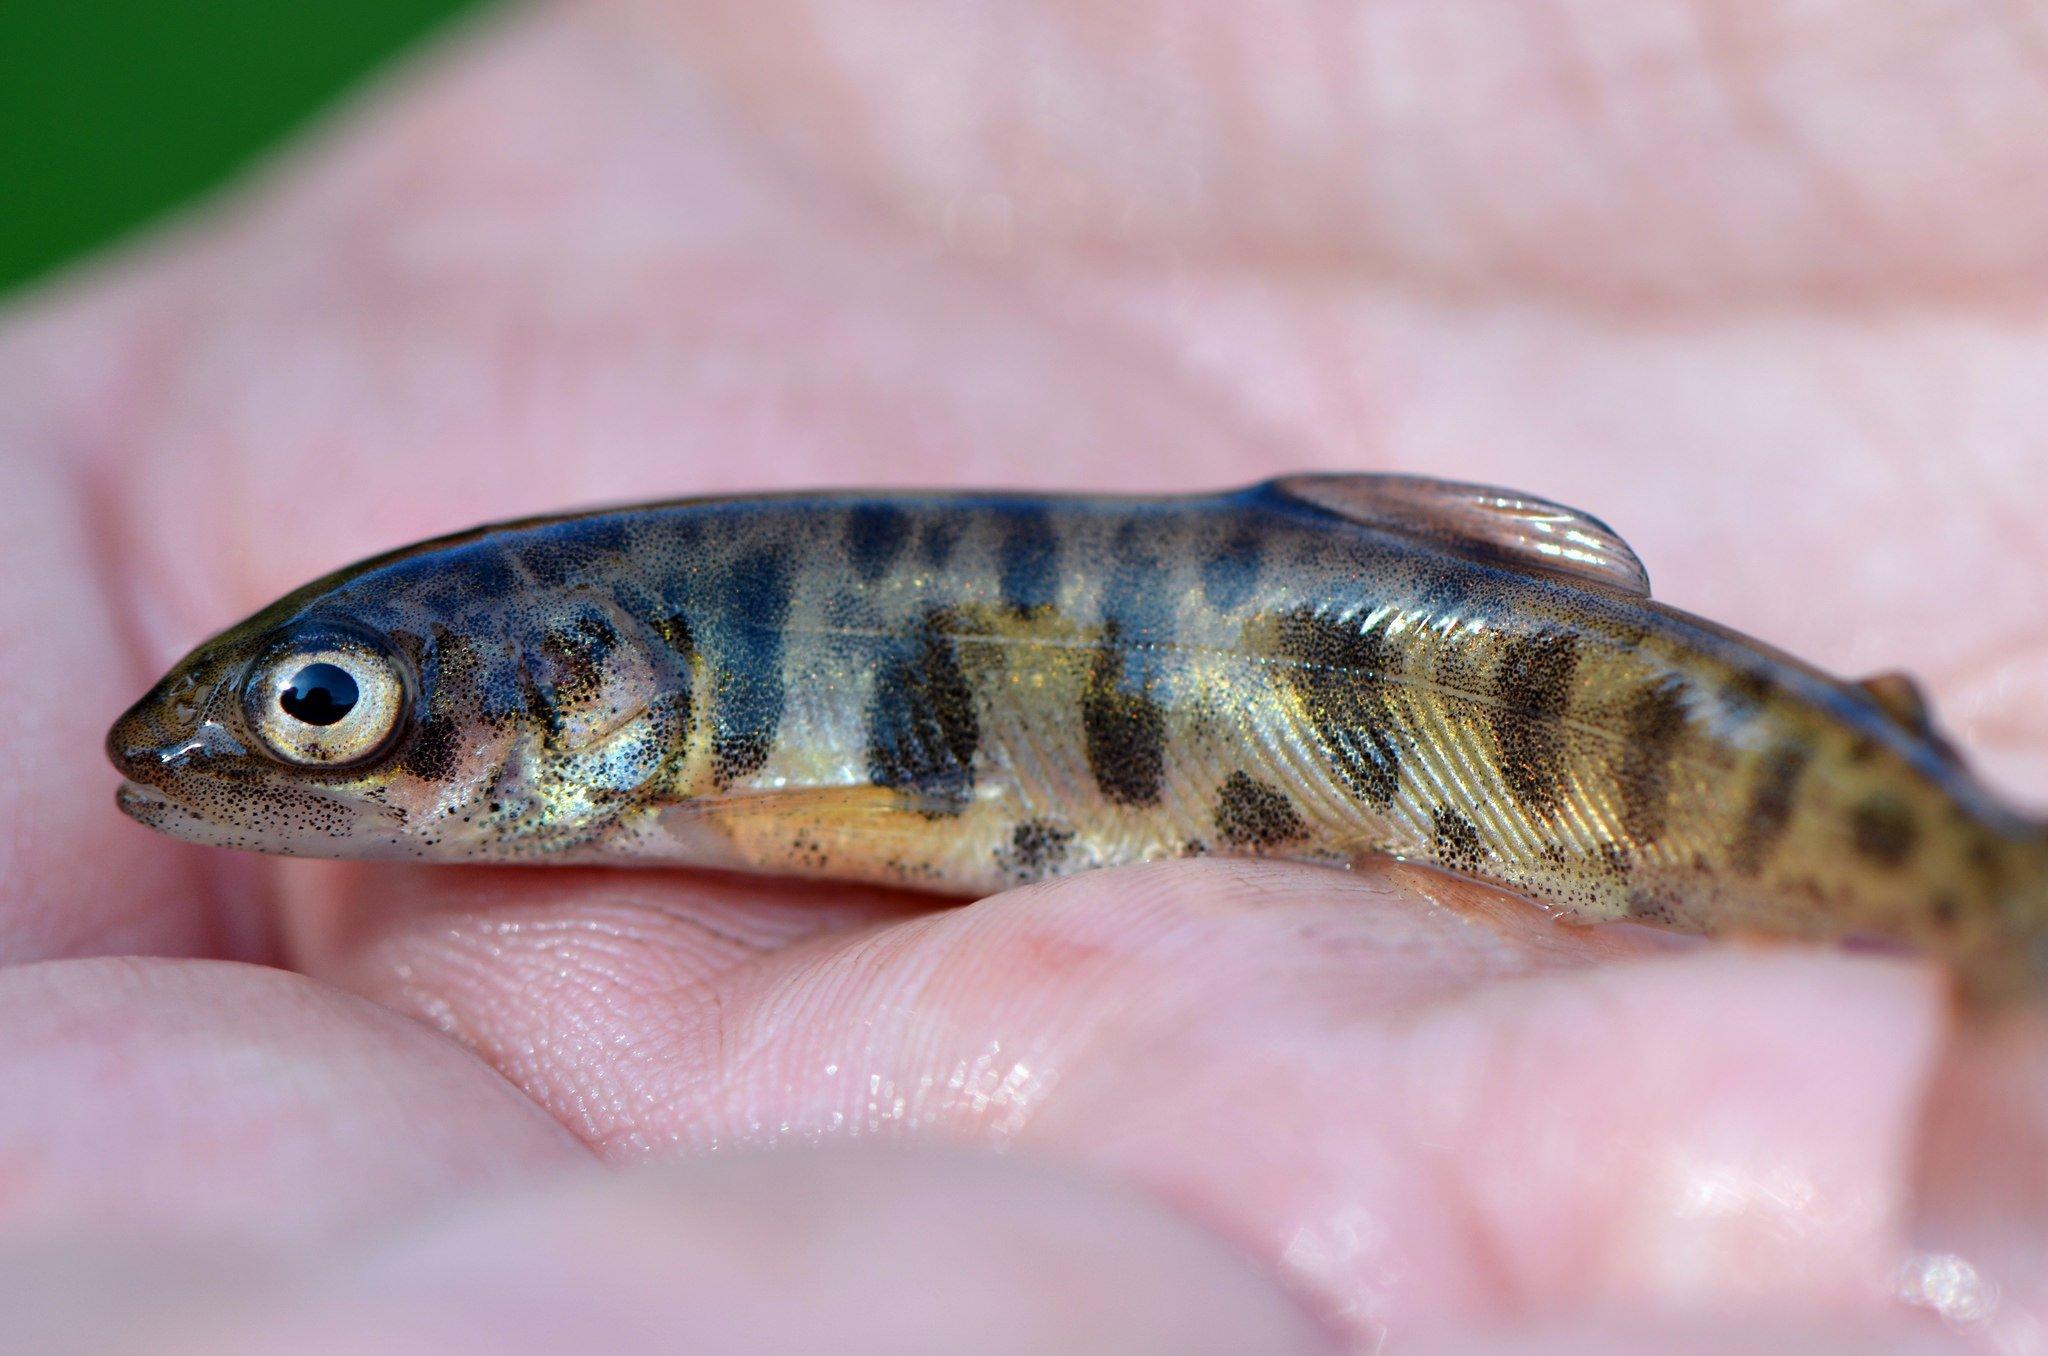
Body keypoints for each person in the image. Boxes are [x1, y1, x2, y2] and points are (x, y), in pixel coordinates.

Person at [1, 3, 2042, 1349]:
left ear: (580, 680)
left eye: (328, 713)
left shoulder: (730, 736)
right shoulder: (667, 691)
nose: (281, 753)